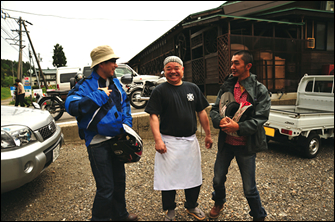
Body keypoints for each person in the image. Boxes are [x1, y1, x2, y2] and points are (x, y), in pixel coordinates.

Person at [65, 45, 138, 221]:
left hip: (117, 140)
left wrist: (126, 126)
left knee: (119, 183)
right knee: (106, 188)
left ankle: (120, 215)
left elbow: (125, 105)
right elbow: (71, 106)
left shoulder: (116, 84)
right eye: (112, 61)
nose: (115, 64)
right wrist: (98, 96)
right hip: (97, 143)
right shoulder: (85, 85)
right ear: (101, 64)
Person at [145, 56, 213, 221]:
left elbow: (202, 112)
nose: (173, 71)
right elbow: (153, 116)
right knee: (168, 177)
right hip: (169, 141)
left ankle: (191, 205)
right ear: (165, 71)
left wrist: (208, 134)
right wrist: (158, 139)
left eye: (176, 67)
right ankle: (170, 209)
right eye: (169, 68)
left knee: (193, 175)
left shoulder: (193, 88)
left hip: (190, 141)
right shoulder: (160, 91)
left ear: (182, 70)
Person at [208, 50, 270, 221]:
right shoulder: (227, 86)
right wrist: (218, 121)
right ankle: (219, 202)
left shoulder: (259, 90)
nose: (232, 67)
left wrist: (239, 126)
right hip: (226, 143)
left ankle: (259, 215)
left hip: (246, 146)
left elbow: (261, 118)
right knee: (218, 180)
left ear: (248, 66)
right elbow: (214, 110)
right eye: (232, 62)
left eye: (236, 63)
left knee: (249, 188)